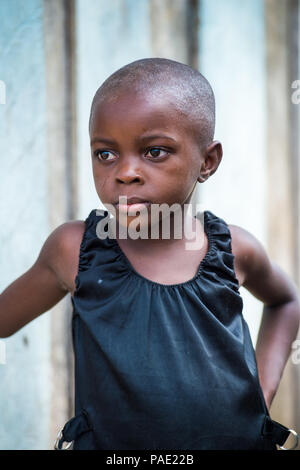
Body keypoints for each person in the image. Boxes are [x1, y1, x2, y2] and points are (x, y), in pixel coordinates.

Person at [1, 58, 299, 451]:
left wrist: (263, 388)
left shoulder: (233, 248)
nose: (125, 173)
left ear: (207, 162)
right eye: (105, 154)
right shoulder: (75, 250)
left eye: (154, 151)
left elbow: (286, 300)